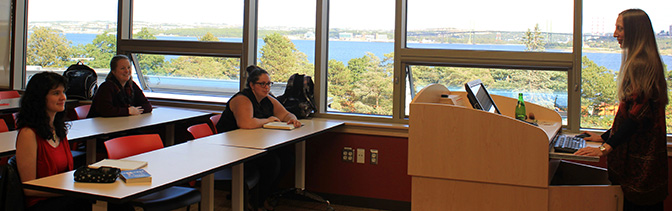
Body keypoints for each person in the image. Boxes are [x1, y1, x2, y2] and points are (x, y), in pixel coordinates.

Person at [575, 9, 668, 210]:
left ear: (634, 32)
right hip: (645, 163)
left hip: (641, 167)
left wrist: (606, 147)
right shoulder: (643, 60)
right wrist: (605, 136)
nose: (615, 33)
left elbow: (637, 116)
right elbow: (631, 114)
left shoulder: (641, 64)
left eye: (620, 28)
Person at [216, 65, 301, 211]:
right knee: (271, 163)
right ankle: (256, 201)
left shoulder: (267, 99)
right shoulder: (242, 99)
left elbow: (285, 114)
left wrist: (292, 119)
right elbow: (246, 123)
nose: (266, 87)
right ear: (252, 85)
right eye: (262, 84)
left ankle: (264, 195)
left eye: (269, 84)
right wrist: (268, 120)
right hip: (233, 148)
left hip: (254, 143)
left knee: (287, 158)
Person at [15, 72, 91, 210]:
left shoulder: (58, 130)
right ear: (40, 98)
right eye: (56, 93)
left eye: (63, 92)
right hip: (42, 203)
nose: (63, 97)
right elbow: (28, 188)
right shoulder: (28, 134)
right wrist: (68, 189)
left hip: (63, 195)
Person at [87, 55, 152, 118]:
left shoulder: (131, 85)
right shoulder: (106, 87)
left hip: (122, 124)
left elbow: (147, 106)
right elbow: (106, 111)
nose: (127, 71)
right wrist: (128, 111)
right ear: (113, 71)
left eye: (129, 67)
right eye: (122, 68)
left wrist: (135, 111)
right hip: (102, 126)